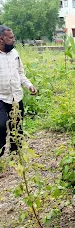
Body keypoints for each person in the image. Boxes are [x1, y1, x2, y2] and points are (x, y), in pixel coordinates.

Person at [0, 25, 37, 157]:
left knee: (17, 127)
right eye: (10, 38)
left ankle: (15, 155)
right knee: (1, 126)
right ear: (1, 39)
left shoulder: (15, 54)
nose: (13, 40)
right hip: (1, 98)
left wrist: (29, 85)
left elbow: (20, 74)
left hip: (16, 97)